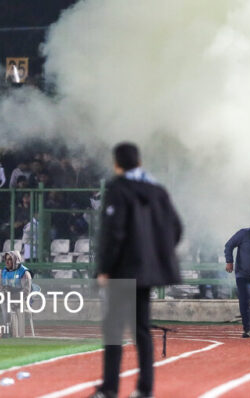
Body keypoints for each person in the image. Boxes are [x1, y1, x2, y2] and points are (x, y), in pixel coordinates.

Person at [94, 143, 182, 398]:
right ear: (139, 162)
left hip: (122, 270)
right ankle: (145, 389)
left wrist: (105, 268)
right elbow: (176, 228)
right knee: (141, 329)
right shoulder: (158, 191)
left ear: (116, 164)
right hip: (147, 271)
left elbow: (114, 231)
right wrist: (155, 255)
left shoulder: (117, 188)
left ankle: (110, 388)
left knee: (113, 329)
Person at [0, 251, 32, 337]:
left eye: (10, 259)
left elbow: (26, 291)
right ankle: (7, 332)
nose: (7, 262)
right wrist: (3, 292)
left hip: (21, 299)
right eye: (6, 259)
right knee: (5, 307)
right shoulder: (3, 272)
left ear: (16, 260)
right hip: (7, 299)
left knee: (15, 308)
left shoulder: (24, 273)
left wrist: (14, 297)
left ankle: (18, 335)